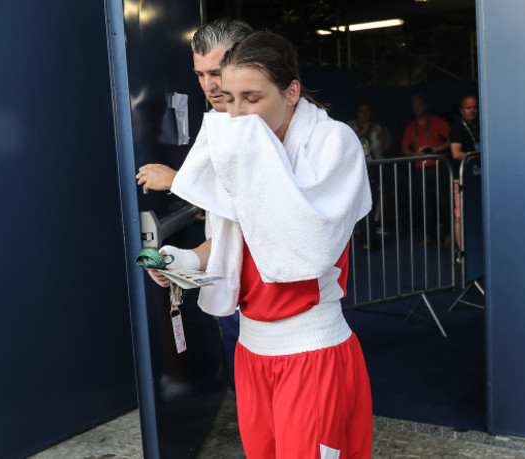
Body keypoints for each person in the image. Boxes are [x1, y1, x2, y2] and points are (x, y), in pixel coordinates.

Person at [148, 31, 373, 458]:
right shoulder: (237, 149)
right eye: (228, 99)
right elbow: (231, 244)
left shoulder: (332, 143)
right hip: (251, 349)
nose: (238, 114)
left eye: (252, 98)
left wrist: (230, 175)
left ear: (292, 92)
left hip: (311, 350)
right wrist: (181, 260)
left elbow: (308, 246)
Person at [136, 18, 253, 390]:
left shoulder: (271, 126)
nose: (209, 85)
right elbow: (233, 224)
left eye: (216, 72)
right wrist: (180, 260)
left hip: (280, 309)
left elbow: (265, 212)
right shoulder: (216, 122)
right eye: (200, 74)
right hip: (236, 296)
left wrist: (178, 180)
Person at [401, 94, 451, 246]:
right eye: (414, 105)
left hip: (438, 166)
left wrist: (437, 149)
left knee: (444, 201)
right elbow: (404, 148)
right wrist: (414, 154)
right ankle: (430, 236)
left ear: (426, 105)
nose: (417, 108)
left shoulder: (437, 122)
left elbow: (452, 139)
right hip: (420, 168)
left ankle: (450, 234)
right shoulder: (410, 127)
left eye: (420, 104)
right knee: (425, 203)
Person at [348, 101, 392, 250]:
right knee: (363, 202)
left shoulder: (378, 127)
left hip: (377, 167)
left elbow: (388, 146)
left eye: (367, 111)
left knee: (379, 197)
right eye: (361, 111)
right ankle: (365, 231)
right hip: (359, 169)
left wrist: (383, 137)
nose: (364, 114)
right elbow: (345, 143)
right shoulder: (351, 126)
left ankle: (374, 225)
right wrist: (362, 132)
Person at [448, 95, 480, 250]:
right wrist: (476, 156)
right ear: (462, 110)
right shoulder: (457, 128)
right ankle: (461, 251)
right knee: (459, 216)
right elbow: (456, 153)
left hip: (476, 177)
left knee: (475, 214)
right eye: (468, 107)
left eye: (474, 107)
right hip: (460, 179)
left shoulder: (478, 126)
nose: (472, 110)